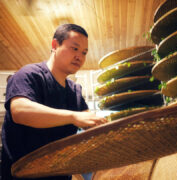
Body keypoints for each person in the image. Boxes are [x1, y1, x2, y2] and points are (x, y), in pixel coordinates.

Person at [1, 24, 107, 180]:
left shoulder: (74, 91)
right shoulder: (29, 75)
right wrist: (73, 116)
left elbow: (91, 123)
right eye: (75, 49)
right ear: (55, 45)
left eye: (84, 53)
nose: (80, 57)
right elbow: (20, 111)